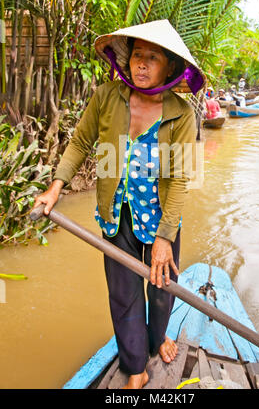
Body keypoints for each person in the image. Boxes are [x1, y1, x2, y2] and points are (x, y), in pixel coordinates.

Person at [33, 19, 205, 389]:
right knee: (123, 295)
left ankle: (158, 338)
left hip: (161, 220)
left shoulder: (181, 114)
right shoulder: (107, 97)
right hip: (116, 216)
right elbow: (80, 143)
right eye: (137, 55)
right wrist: (55, 187)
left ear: (170, 67)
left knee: (161, 291)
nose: (141, 64)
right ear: (127, 60)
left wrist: (164, 237)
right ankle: (135, 366)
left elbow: (179, 180)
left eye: (152, 58)